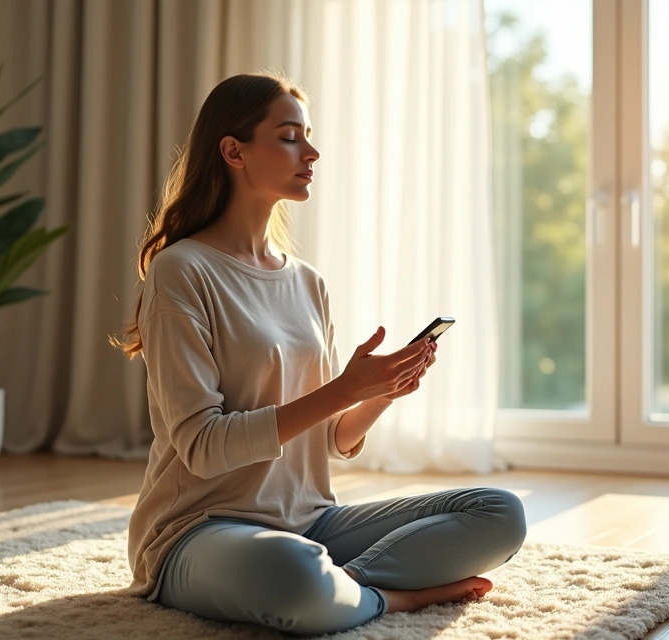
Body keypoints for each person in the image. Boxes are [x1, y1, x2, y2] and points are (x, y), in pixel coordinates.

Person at [109, 72, 527, 636]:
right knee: (291, 567)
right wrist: (344, 388)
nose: (312, 152)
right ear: (234, 151)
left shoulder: (308, 282)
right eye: (289, 137)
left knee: (499, 512)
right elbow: (201, 448)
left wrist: (378, 393)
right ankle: (387, 596)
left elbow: (330, 439)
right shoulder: (182, 270)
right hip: (199, 531)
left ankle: (341, 589)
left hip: (312, 523)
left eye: (308, 136)